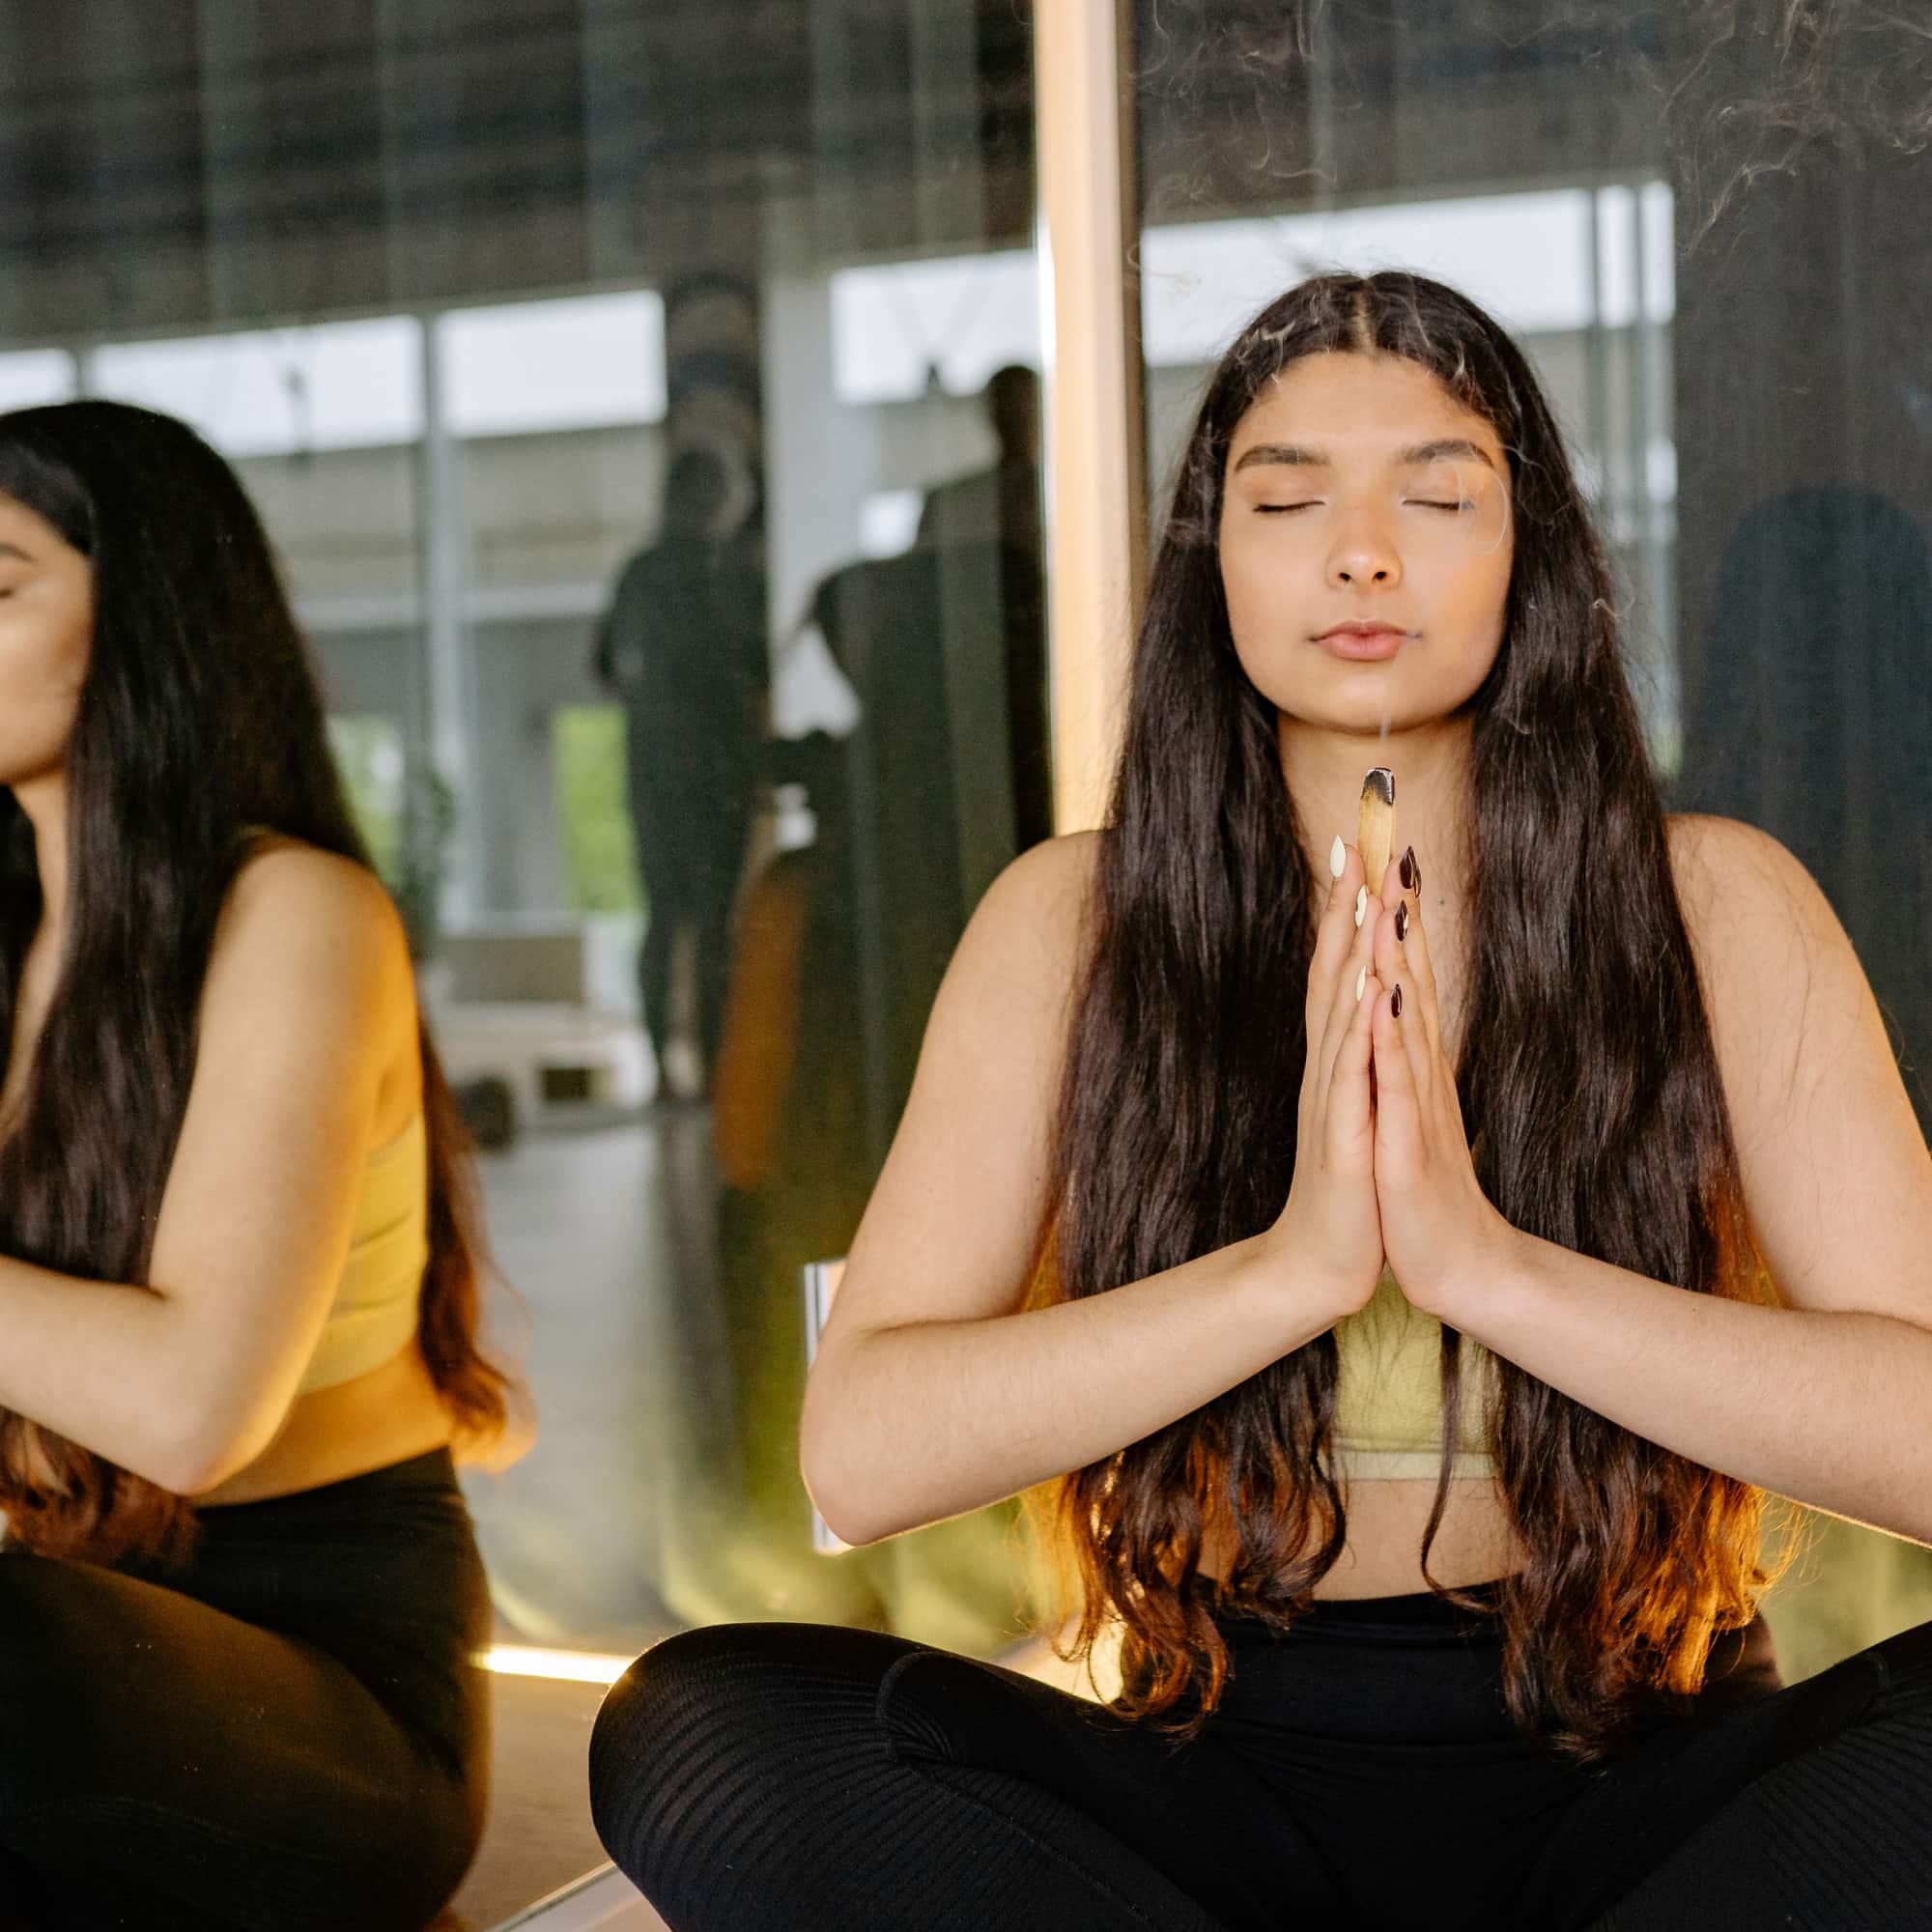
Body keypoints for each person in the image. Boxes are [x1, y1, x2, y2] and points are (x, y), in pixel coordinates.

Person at [585, 273, 1932, 1930]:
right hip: (1217, 1785)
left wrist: (1483, 1267)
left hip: (1651, 1782)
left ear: (1539, 554)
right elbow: (861, 1457)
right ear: (1209, 559)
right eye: (1287, 498)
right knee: (699, 1730)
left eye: (1439, 495)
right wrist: (1296, 1264)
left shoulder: (1715, 905)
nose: (1363, 552)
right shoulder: (1068, 925)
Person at [0, 400, 522, 1931]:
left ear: (136, 620)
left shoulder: (297, 916)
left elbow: (191, 1412)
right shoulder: (15, 943)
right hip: (71, 1645)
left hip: (327, 1692)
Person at [593, 446, 768, 1098]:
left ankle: (676, 1069)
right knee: (701, 926)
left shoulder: (644, 574)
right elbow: (750, 669)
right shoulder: (723, 575)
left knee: (672, 922)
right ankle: (697, 1070)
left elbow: (608, 665)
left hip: (667, 767)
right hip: (707, 772)